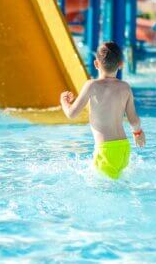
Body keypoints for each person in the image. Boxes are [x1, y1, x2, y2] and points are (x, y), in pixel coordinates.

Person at [60, 42, 145, 179]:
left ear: (96, 64)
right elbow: (133, 119)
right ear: (121, 64)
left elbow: (72, 114)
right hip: (124, 148)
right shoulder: (125, 87)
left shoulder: (91, 86)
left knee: (104, 190)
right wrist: (138, 132)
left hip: (105, 150)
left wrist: (63, 101)